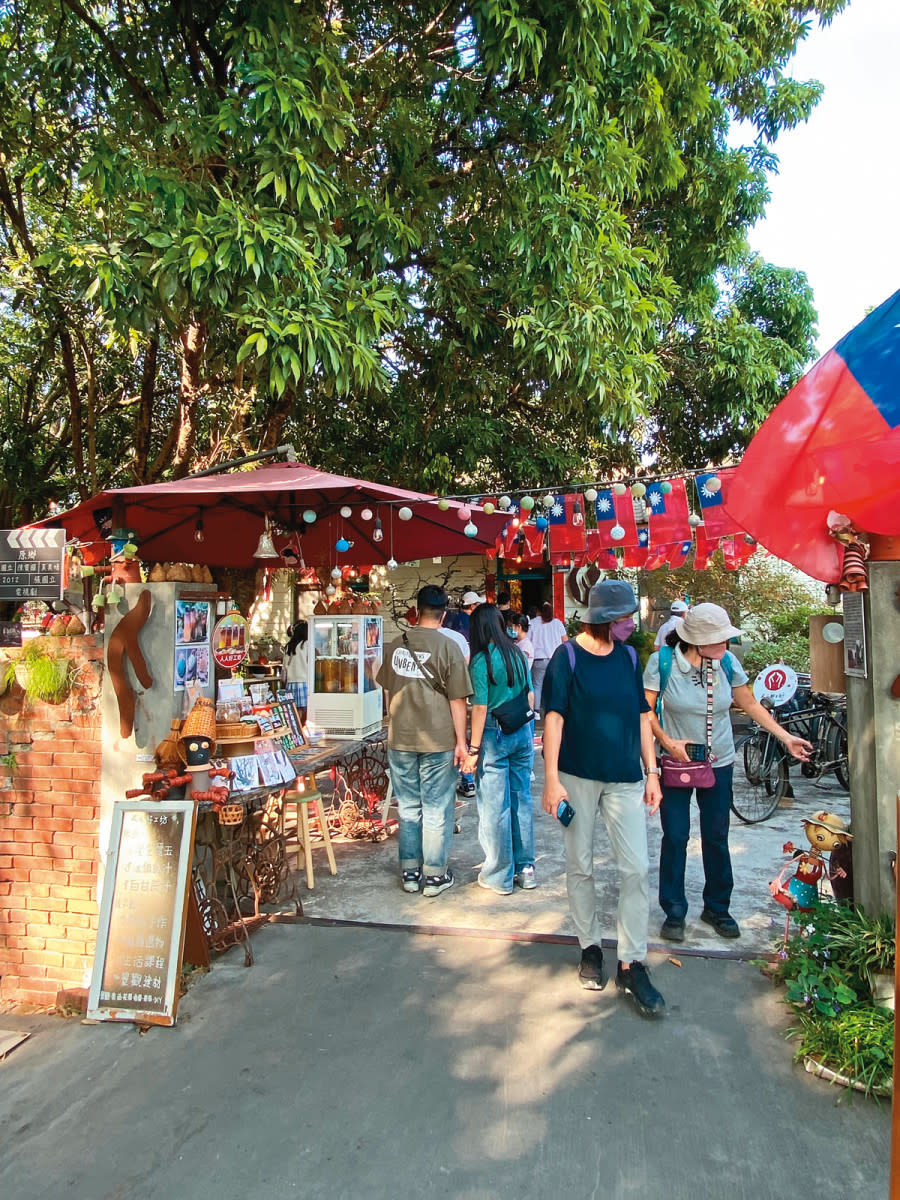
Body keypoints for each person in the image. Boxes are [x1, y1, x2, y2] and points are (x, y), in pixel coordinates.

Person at [643, 602, 813, 942]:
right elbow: (645, 713)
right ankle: (674, 910)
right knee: (675, 837)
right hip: (676, 763)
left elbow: (749, 704)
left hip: (719, 762)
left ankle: (717, 907)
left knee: (716, 835)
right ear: (696, 641)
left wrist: (785, 737)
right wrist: (662, 750)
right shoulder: (662, 663)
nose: (725, 646)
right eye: (719, 640)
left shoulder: (728, 662)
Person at [541, 580, 665, 1016]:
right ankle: (590, 946)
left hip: (626, 779)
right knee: (581, 865)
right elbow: (553, 721)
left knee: (635, 868)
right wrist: (551, 781)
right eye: (624, 617)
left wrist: (652, 772)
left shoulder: (630, 656)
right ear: (602, 620)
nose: (631, 623)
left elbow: (641, 714)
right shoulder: (567, 657)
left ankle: (631, 963)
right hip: (576, 778)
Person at [376, 586, 472, 896]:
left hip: (400, 737)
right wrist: (462, 742)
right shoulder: (449, 647)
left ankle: (409, 872)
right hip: (438, 739)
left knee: (407, 806)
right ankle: (434, 876)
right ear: (444, 613)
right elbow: (458, 701)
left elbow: (387, 691)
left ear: (416, 611)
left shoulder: (394, 645)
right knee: (435, 807)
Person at [465, 605, 536, 894]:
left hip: (495, 734)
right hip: (522, 731)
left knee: (496, 807)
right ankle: (526, 869)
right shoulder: (517, 652)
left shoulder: (481, 662)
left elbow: (480, 708)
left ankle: (499, 876)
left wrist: (473, 750)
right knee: (522, 800)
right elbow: (530, 695)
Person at [529, 601, 567, 713]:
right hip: (556, 659)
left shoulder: (533, 623)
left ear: (540, 611)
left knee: (537, 685)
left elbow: (528, 640)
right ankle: (554, 710)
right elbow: (565, 641)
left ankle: (536, 711)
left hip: (538, 660)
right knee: (554, 685)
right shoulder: (558, 623)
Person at [282, 620, 309, 723]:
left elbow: (284, 668)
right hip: (304, 681)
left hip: (291, 683)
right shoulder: (306, 644)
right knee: (305, 711)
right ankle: (303, 732)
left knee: (295, 711)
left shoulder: (289, 646)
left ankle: (297, 730)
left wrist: (283, 683)